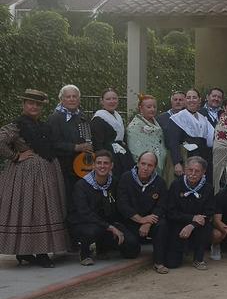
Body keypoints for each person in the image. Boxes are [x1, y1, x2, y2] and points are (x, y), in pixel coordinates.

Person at [0, 89, 68, 268]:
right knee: (30, 210)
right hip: (26, 176)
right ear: (23, 104)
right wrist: (16, 156)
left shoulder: (43, 126)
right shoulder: (17, 125)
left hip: (46, 173)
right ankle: (33, 252)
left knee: (42, 210)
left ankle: (32, 252)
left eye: (37, 104)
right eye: (30, 103)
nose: (34, 107)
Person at [68, 150, 140, 266]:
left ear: (111, 165)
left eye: (106, 163)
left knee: (132, 248)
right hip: (84, 223)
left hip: (107, 223)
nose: (102, 166)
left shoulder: (115, 182)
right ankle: (85, 252)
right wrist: (109, 227)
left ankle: (103, 247)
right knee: (92, 231)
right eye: (99, 163)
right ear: (93, 165)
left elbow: (121, 205)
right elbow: (84, 213)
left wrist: (119, 226)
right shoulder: (81, 185)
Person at [116, 151, 169, 274]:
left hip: (150, 221)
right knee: (131, 251)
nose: (145, 168)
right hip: (130, 221)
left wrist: (147, 223)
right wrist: (140, 220)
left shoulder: (160, 182)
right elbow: (123, 205)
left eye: (150, 165)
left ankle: (159, 262)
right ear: (138, 163)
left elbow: (161, 206)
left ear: (155, 167)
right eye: (143, 163)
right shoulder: (126, 178)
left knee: (162, 225)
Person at [165, 156, 215, 270]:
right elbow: (170, 212)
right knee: (172, 264)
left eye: (197, 171)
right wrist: (191, 218)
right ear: (185, 169)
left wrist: (192, 225)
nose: (193, 174)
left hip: (197, 226)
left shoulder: (208, 188)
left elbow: (208, 213)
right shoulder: (176, 185)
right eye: (190, 170)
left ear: (203, 172)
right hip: (178, 223)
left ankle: (198, 258)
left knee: (206, 226)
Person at [47, 84, 92, 203]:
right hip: (64, 166)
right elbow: (53, 143)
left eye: (74, 96)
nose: (72, 99)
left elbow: (87, 138)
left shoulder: (82, 116)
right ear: (61, 99)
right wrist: (75, 147)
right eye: (68, 97)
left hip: (83, 165)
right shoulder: (55, 118)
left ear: (79, 99)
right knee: (67, 198)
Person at [167, 89, 214, 179]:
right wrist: (177, 163)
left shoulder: (204, 119)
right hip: (185, 159)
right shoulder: (177, 118)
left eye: (194, 97)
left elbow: (211, 140)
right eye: (188, 98)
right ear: (185, 100)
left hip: (203, 159)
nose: (191, 100)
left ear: (199, 100)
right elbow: (173, 142)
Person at [91, 88, 134, 177]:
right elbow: (98, 145)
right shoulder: (98, 119)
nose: (112, 101)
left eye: (114, 98)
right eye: (108, 99)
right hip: (109, 157)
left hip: (122, 155)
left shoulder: (118, 117)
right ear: (102, 101)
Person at [127, 94, 167, 177]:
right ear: (141, 108)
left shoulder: (156, 123)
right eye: (149, 107)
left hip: (161, 163)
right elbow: (135, 149)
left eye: (154, 107)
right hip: (145, 167)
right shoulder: (134, 127)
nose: (152, 109)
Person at [157, 91, 186, 183]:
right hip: (168, 155)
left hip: (186, 155)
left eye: (180, 100)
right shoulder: (161, 118)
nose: (178, 102)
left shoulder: (188, 117)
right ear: (171, 101)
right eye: (175, 100)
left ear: (185, 101)